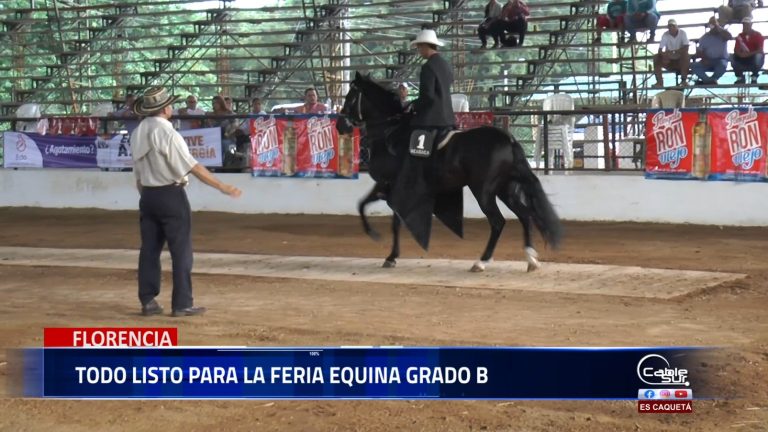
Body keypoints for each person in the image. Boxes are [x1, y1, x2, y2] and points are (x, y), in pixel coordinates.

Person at [130, 87, 242, 317]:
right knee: (181, 251)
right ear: (164, 108)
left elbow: (138, 174)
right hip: (171, 194)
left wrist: (147, 195)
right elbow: (193, 166)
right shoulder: (168, 133)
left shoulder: (138, 132)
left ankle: (148, 300)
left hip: (149, 195)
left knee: (149, 249)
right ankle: (181, 303)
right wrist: (222, 186)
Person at [691, 17, 732, 85]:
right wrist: (704, 58)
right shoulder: (704, 37)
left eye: (715, 24)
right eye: (712, 25)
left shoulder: (723, 35)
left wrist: (719, 28)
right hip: (708, 60)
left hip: (720, 60)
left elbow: (729, 37)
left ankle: (711, 80)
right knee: (694, 66)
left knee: (723, 65)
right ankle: (708, 81)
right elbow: (699, 51)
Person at [653, 19, 690, 88]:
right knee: (656, 57)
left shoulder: (682, 33)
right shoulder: (665, 34)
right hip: (669, 60)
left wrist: (674, 51)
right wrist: (664, 55)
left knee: (686, 56)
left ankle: (684, 81)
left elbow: (686, 48)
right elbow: (660, 49)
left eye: (673, 26)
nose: (671, 28)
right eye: (670, 26)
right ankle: (659, 82)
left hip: (680, 60)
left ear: (676, 26)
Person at [732, 16, 765, 84]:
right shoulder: (740, 36)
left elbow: (760, 50)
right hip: (743, 57)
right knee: (732, 57)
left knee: (759, 56)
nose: (745, 27)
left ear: (750, 25)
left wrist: (747, 54)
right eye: (744, 25)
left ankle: (754, 77)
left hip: (752, 57)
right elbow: (736, 50)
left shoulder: (758, 35)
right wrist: (740, 54)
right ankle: (740, 77)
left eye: (747, 25)